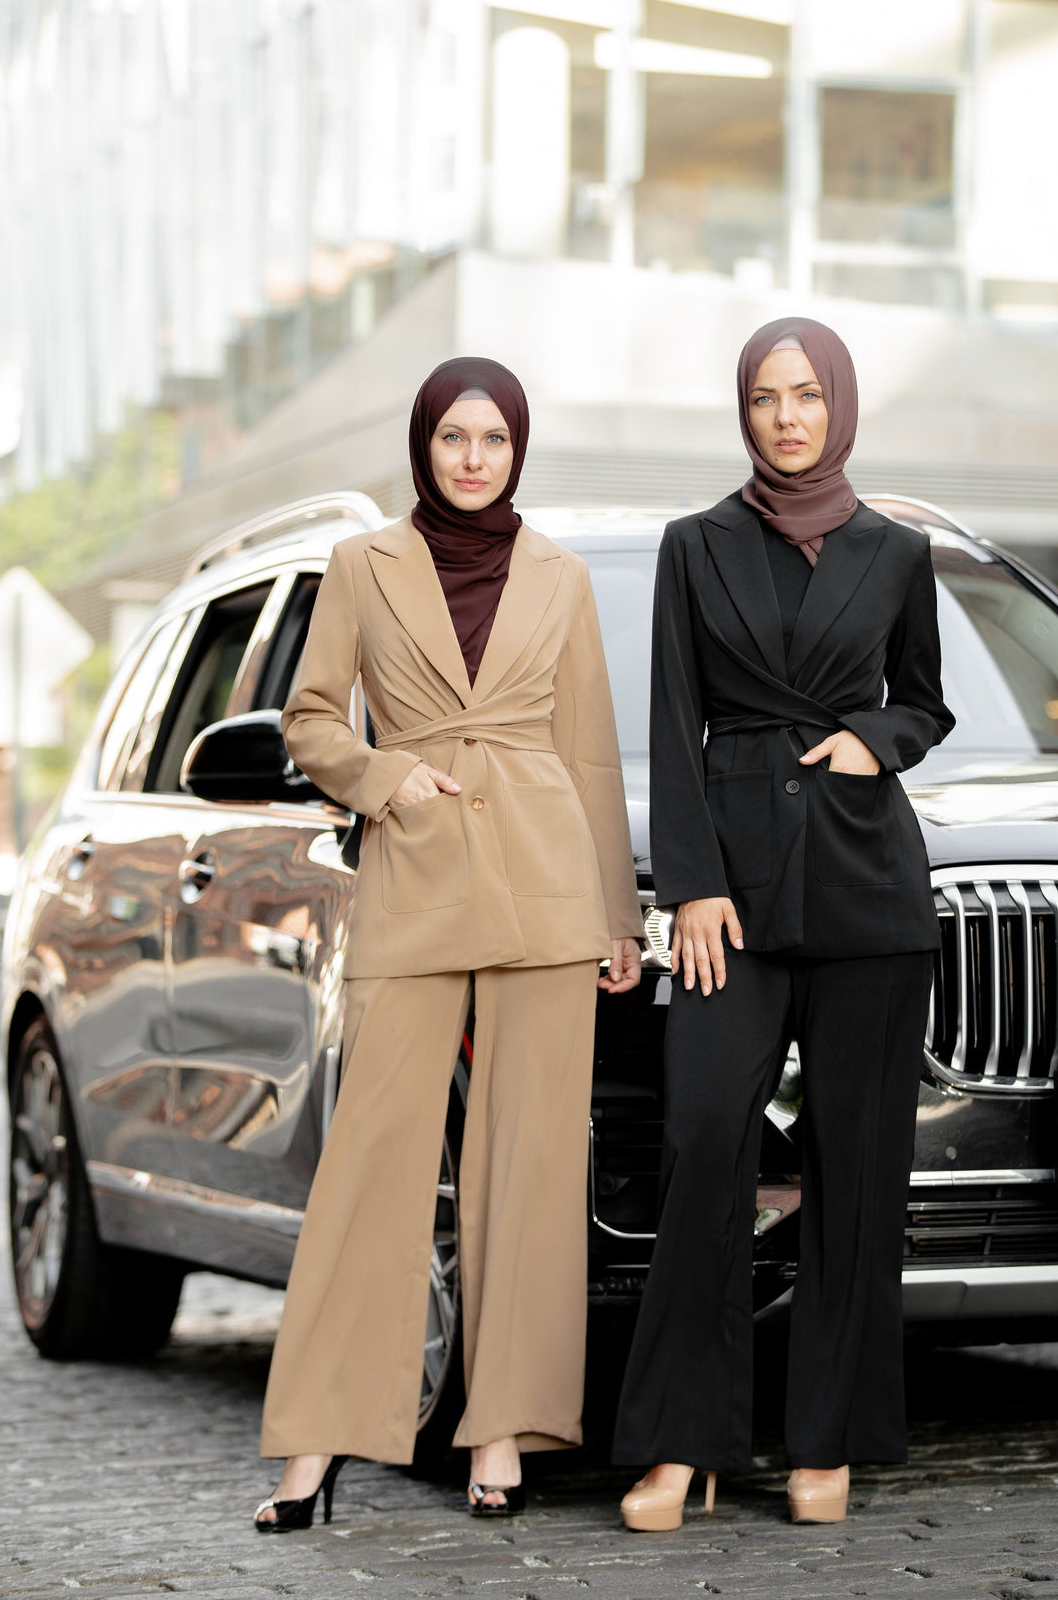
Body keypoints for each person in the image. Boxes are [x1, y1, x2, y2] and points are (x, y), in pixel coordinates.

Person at [253, 356, 643, 1531]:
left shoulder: (561, 578)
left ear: (518, 450)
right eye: (454, 438)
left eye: (495, 440)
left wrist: (617, 916)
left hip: (543, 884)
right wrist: (384, 775)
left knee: (526, 1167)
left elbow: (588, 756)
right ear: (424, 444)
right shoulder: (362, 566)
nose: (474, 458)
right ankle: (317, 1442)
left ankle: (502, 1433)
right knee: (370, 1161)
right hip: (415, 872)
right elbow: (311, 717)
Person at [612, 317, 954, 1530]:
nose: (789, 416)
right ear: (744, 412)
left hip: (870, 887)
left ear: (839, 407)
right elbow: (672, 721)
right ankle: (679, 1441)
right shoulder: (693, 547)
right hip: (733, 894)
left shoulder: (896, 552)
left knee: (858, 1168)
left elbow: (927, 702)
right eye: (766, 397)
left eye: (808, 395)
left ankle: (832, 1436)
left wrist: (879, 737)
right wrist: (691, 882)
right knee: (705, 1144)